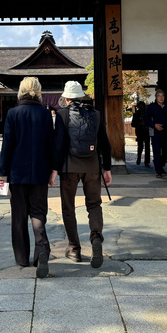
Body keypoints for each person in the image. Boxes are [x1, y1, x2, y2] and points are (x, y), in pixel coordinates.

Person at [50, 80, 112, 268]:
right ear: (81, 96)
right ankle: (95, 238)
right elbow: (105, 143)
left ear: (66, 98)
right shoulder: (96, 115)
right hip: (92, 166)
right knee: (94, 205)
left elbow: (59, 144)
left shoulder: (62, 115)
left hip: (69, 168)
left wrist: (54, 169)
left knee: (68, 208)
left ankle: (74, 249)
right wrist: (107, 169)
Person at [0, 77, 55, 278]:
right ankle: (41, 250)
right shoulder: (46, 114)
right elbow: (51, 144)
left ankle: (22, 257)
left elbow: (7, 146)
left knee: (19, 215)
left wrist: (2, 173)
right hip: (40, 172)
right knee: (38, 213)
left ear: (21, 91)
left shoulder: (13, 113)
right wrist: (53, 170)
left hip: (16, 173)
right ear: (38, 91)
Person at [144, 89, 167, 177]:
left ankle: (161, 164)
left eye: (162, 96)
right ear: (156, 97)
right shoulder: (152, 107)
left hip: (166, 132)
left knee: (166, 150)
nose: (161, 98)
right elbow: (146, 119)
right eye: (159, 96)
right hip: (155, 133)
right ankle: (159, 171)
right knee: (157, 151)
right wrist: (154, 125)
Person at [132, 101, 151, 168]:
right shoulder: (136, 114)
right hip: (140, 132)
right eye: (140, 106)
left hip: (147, 132)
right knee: (140, 146)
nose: (141, 108)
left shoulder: (147, 114)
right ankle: (139, 158)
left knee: (147, 147)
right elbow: (133, 124)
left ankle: (147, 161)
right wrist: (139, 124)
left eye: (142, 106)